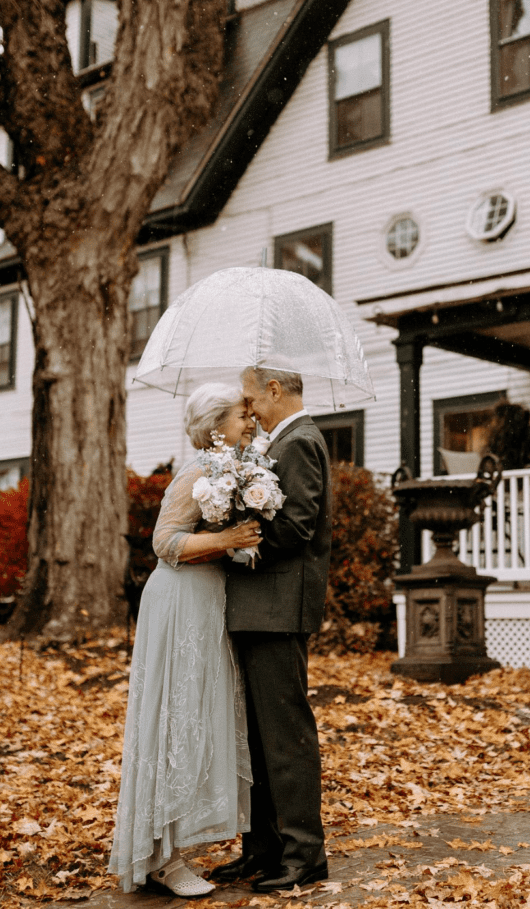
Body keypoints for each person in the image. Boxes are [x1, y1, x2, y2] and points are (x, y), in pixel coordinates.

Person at [108, 382, 262, 898]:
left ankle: (174, 845)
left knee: (197, 717)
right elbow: (164, 542)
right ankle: (162, 858)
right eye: (243, 414)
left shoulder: (230, 472)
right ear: (217, 425)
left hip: (208, 601)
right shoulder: (198, 472)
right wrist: (226, 540)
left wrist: (240, 548)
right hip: (178, 604)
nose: (251, 420)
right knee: (175, 717)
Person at [211, 367, 331, 893]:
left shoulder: (300, 441)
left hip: (280, 608)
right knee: (256, 738)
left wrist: (233, 541)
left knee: (285, 736)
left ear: (275, 391)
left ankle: (305, 854)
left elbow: (297, 526)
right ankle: (261, 849)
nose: (249, 407)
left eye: (250, 397)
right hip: (260, 607)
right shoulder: (277, 442)